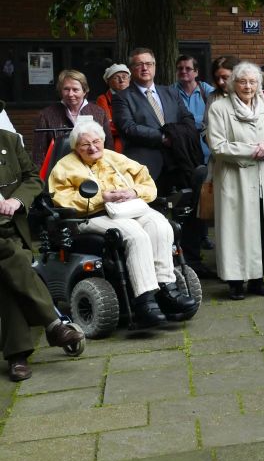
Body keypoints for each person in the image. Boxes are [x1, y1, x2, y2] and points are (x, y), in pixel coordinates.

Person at [48, 121, 198, 327]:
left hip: (130, 208)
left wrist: (134, 192)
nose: (92, 147)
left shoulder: (115, 158)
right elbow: (62, 199)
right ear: (75, 147)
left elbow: (147, 183)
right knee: (135, 234)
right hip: (91, 215)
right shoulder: (64, 167)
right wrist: (102, 197)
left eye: (96, 141)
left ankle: (166, 288)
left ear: (103, 141)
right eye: (85, 144)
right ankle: (144, 300)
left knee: (160, 225)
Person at [112, 47, 209, 275]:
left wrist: (176, 136)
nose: (144, 68)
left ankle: (191, 262)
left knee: (189, 211)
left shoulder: (170, 92)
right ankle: (156, 266)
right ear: (132, 69)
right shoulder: (122, 98)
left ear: (155, 67)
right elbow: (128, 128)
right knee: (152, 216)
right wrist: (164, 137)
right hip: (146, 166)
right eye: (139, 64)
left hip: (179, 161)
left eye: (148, 63)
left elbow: (187, 119)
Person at [0, 128, 85, 381]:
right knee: (14, 258)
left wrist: (17, 201)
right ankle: (54, 325)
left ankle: (18, 356)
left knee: (8, 273)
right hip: (7, 245)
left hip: (11, 230)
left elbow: (32, 178)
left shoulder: (9, 140)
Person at [206, 63, 264, 300]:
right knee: (235, 230)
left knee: (262, 228)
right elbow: (218, 145)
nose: (248, 86)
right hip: (234, 179)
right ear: (233, 83)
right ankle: (234, 282)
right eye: (242, 81)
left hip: (263, 178)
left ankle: (257, 279)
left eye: (253, 82)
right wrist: (253, 150)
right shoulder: (219, 108)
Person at [33, 69, 112, 171]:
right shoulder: (46, 115)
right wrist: (39, 176)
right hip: (59, 170)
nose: (70, 94)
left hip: (93, 169)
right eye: (66, 89)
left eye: (75, 90)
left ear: (84, 91)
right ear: (60, 91)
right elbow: (39, 152)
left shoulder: (98, 112)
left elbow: (108, 146)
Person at [174, 54, 215, 161]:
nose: (183, 71)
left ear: (196, 72)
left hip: (207, 152)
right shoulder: (170, 92)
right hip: (182, 152)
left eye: (188, 68)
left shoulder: (206, 90)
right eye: (180, 68)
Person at [95, 63, 130, 153]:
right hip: (117, 145)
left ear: (129, 79)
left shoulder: (136, 96)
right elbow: (107, 125)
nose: (121, 80)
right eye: (116, 78)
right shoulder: (103, 99)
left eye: (124, 77)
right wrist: (133, 126)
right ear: (108, 81)